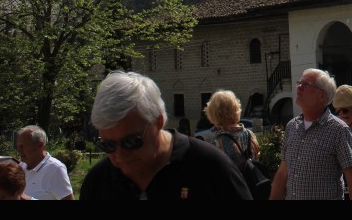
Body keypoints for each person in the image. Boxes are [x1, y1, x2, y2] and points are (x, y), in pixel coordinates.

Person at [80, 70, 252, 200]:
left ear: (158, 121)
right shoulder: (98, 181)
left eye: (131, 141)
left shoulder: (210, 168)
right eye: (108, 145)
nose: (120, 155)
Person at [269, 68, 352, 200]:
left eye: (305, 84)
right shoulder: (292, 126)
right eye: (299, 83)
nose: (299, 88)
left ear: (322, 95)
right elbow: (282, 173)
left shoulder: (338, 130)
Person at [16, 125, 74, 200]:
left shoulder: (55, 169)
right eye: (18, 147)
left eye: (23, 146)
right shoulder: (21, 167)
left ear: (40, 145)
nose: (19, 150)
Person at [204, 89, 261, 164]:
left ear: (213, 114)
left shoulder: (217, 142)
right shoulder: (250, 134)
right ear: (236, 109)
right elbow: (257, 159)